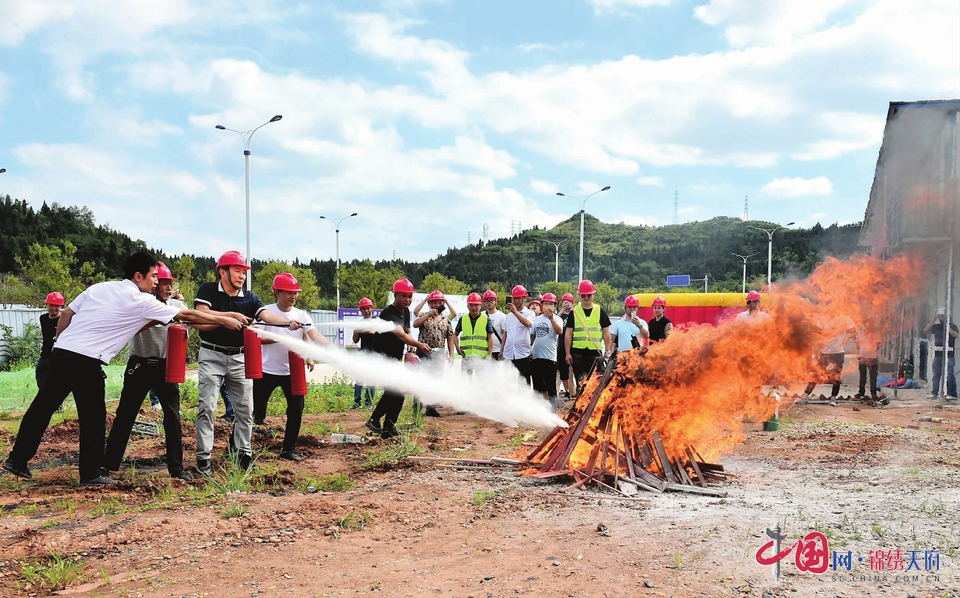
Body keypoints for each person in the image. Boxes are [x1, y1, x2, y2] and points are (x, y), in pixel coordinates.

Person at [2, 252, 245, 485]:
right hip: (87, 361)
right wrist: (225, 318)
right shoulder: (140, 300)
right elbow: (187, 314)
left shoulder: (100, 287)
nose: (155, 282)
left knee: (42, 407)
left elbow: (66, 314)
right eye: (152, 277)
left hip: (63, 353)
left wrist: (58, 341)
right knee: (94, 418)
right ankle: (91, 473)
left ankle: (17, 459)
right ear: (138, 277)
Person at [191, 250, 304, 476]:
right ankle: (204, 458)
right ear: (223, 272)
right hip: (212, 356)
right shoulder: (207, 290)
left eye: (244, 272)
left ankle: (244, 455)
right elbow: (199, 320)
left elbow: (265, 316)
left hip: (239, 358)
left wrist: (286, 323)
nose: (242, 276)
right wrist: (228, 318)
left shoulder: (251, 298)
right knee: (208, 407)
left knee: (246, 410)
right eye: (237, 271)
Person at [103, 261, 193, 481]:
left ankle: (176, 468)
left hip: (166, 365)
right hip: (140, 364)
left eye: (169, 283)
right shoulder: (140, 304)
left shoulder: (178, 307)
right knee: (125, 415)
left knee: (172, 418)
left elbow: (187, 329)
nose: (167, 287)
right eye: (162, 282)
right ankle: (106, 465)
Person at [251, 273, 330, 461]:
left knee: (296, 409)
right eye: (289, 292)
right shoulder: (265, 313)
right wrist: (282, 336)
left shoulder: (301, 315)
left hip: (292, 372)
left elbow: (313, 335)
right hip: (266, 370)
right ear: (276, 292)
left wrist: (332, 350)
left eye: (295, 293)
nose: (293, 296)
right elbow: (256, 338)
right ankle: (239, 447)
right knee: (253, 410)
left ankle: (288, 449)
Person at [366, 279, 432, 439]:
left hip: (395, 359)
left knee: (398, 394)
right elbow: (400, 334)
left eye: (410, 296)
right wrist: (419, 344)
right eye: (404, 296)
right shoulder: (388, 314)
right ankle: (374, 419)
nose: (407, 300)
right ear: (395, 295)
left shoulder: (406, 312)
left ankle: (388, 427)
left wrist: (410, 347)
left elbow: (407, 331)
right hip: (381, 359)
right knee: (393, 391)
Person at [412, 290, 456, 417]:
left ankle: (431, 408)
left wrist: (452, 354)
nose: (437, 304)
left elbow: (449, 338)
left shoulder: (446, 321)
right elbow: (415, 324)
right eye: (434, 302)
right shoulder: (424, 315)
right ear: (430, 304)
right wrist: (428, 315)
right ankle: (417, 407)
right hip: (423, 352)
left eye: (439, 302)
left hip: (439, 354)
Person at [565, 280, 614, 385]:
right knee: (581, 382)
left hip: (594, 353)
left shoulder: (600, 311)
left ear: (593, 295)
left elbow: (606, 332)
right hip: (577, 353)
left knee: (594, 383)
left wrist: (608, 350)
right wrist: (568, 353)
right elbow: (568, 333)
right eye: (583, 296)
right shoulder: (574, 312)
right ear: (579, 296)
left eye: (588, 295)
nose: (586, 298)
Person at [800, 315, 856, 406]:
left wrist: (846, 338)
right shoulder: (824, 318)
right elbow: (818, 332)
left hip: (838, 352)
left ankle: (833, 398)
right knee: (816, 374)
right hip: (825, 352)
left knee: (836, 376)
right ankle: (805, 395)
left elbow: (854, 330)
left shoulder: (843, 318)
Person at [530, 293, 563, 411]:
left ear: (555, 305)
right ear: (542, 304)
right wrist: (529, 348)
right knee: (538, 385)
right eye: (546, 303)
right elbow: (533, 335)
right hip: (536, 355)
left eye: (551, 304)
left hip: (550, 357)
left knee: (550, 385)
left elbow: (559, 332)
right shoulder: (537, 319)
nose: (548, 306)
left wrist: (551, 319)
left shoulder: (558, 319)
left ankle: (553, 409)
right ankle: (537, 408)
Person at [501, 285, 535, 385]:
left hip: (523, 353)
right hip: (509, 353)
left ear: (524, 298)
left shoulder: (529, 313)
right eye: (514, 298)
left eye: (519, 298)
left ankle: (525, 399)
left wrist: (515, 311)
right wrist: (502, 350)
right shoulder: (508, 316)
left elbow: (528, 324)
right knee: (509, 380)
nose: (516, 300)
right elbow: (505, 333)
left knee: (524, 381)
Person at [454, 292, 494, 375]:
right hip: (467, 356)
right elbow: (455, 335)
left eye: (476, 305)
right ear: (467, 306)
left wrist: (489, 354)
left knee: (482, 381)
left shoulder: (486, 319)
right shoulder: (463, 319)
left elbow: (490, 337)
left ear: (480, 305)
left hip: (481, 357)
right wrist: (457, 348)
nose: (474, 307)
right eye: (471, 305)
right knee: (465, 381)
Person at [923, 307, 958, 399]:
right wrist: (933, 320)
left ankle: (952, 393)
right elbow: (925, 330)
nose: (941, 318)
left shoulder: (952, 326)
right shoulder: (936, 326)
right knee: (936, 374)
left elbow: (956, 335)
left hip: (949, 355)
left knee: (950, 374)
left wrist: (947, 326)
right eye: (940, 316)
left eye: (943, 316)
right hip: (938, 355)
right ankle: (934, 392)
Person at [351, 297, 377, 409]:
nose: (366, 311)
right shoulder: (360, 323)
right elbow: (355, 340)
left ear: (371, 308)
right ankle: (357, 402)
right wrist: (356, 332)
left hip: (374, 355)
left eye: (368, 308)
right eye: (363, 309)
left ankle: (368, 403)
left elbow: (383, 337)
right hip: (363, 354)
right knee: (359, 379)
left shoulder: (377, 322)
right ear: (360, 310)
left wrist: (373, 333)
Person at [35, 292, 64, 392]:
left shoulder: (64, 319)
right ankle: (45, 400)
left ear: (61, 306)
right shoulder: (43, 318)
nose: (54, 308)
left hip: (58, 354)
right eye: (51, 305)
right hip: (45, 353)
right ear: (46, 304)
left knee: (56, 379)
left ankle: (58, 404)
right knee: (40, 375)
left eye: (57, 306)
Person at [856, 328, 883, 405]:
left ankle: (873, 393)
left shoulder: (875, 334)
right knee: (862, 376)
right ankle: (861, 392)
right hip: (862, 358)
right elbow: (857, 345)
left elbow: (878, 346)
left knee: (873, 377)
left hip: (872, 358)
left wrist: (872, 353)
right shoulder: (860, 334)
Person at [556, 292, 576, 398]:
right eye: (564, 302)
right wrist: (562, 311)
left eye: (568, 302)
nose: (566, 304)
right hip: (560, 346)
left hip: (573, 346)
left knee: (573, 370)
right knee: (563, 370)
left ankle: (574, 391)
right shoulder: (559, 316)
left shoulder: (575, 314)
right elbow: (553, 321)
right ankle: (567, 391)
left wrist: (572, 310)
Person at [482, 290, 507, 361]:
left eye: (491, 300)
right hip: (484, 350)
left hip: (497, 351)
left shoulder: (502, 316)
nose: (489, 303)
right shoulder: (481, 315)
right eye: (486, 301)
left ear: (496, 301)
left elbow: (504, 334)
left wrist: (502, 350)